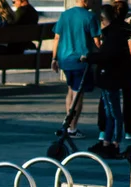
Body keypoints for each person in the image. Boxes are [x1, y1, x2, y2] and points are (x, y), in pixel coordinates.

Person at [85, 4, 131, 158]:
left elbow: (108, 55)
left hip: (111, 77)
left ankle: (114, 143)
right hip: (113, 77)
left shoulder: (113, 34)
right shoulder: (121, 30)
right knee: (110, 111)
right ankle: (107, 141)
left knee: (114, 112)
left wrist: (89, 57)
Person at [51, 0, 101, 139]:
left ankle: (67, 123)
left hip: (65, 59)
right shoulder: (90, 17)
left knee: (70, 90)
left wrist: (54, 58)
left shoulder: (65, 15)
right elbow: (97, 41)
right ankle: (72, 127)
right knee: (78, 93)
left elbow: (56, 38)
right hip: (81, 59)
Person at [97, 0, 131, 141]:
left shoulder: (108, 30)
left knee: (106, 102)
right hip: (127, 71)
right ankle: (129, 130)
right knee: (130, 100)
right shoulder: (128, 29)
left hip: (111, 71)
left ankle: (103, 131)